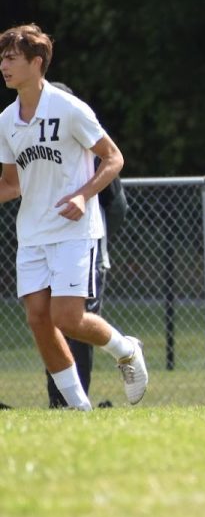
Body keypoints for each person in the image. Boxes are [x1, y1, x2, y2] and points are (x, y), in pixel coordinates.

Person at [0, 24, 148, 410]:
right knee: (38, 319)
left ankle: (126, 349)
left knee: (67, 318)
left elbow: (113, 157)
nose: (3, 65)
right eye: (2, 58)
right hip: (32, 234)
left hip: (74, 231)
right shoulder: (5, 120)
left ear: (36, 62)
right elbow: (11, 185)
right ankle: (78, 410)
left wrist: (84, 195)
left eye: (11, 58)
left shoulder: (69, 109)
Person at [45, 82, 129, 408]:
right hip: (47, 246)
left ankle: (75, 403)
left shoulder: (88, 147)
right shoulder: (38, 145)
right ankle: (59, 402)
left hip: (86, 250)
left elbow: (117, 206)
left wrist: (100, 244)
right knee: (46, 322)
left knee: (75, 325)